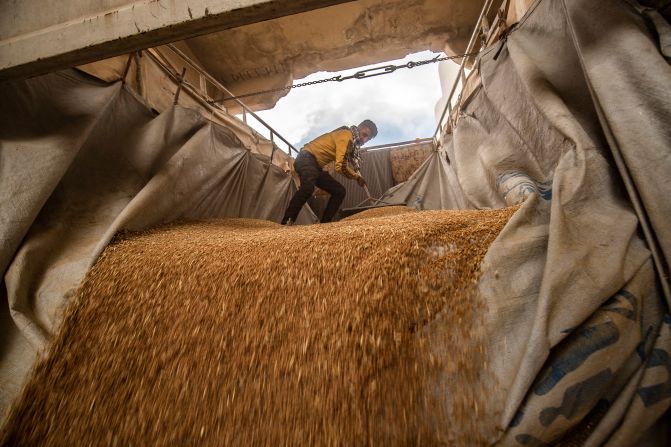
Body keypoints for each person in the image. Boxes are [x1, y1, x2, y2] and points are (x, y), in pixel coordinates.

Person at [282, 120, 378, 224]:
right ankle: (287, 221)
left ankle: (325, 223)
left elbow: (348, 155)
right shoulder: (346, 136)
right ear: (359, 127)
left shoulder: (351, 142)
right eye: (364, 135)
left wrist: (354, 163)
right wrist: (357, 177)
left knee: (339, 191)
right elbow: (340, 166)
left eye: (367, 139)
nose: (364, 140)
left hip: (315, 166)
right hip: (305, 158)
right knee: (308, 188)